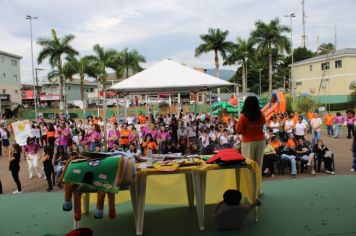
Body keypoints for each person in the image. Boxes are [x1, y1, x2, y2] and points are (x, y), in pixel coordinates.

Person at [236, 96, 266, 171]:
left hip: (248, 142)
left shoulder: (243, 117)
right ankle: (257, 181)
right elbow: (262, 125)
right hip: (261, 141)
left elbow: (239, 131)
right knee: (258, 164)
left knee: (248, 164)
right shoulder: (261, 115)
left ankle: (249, 182)